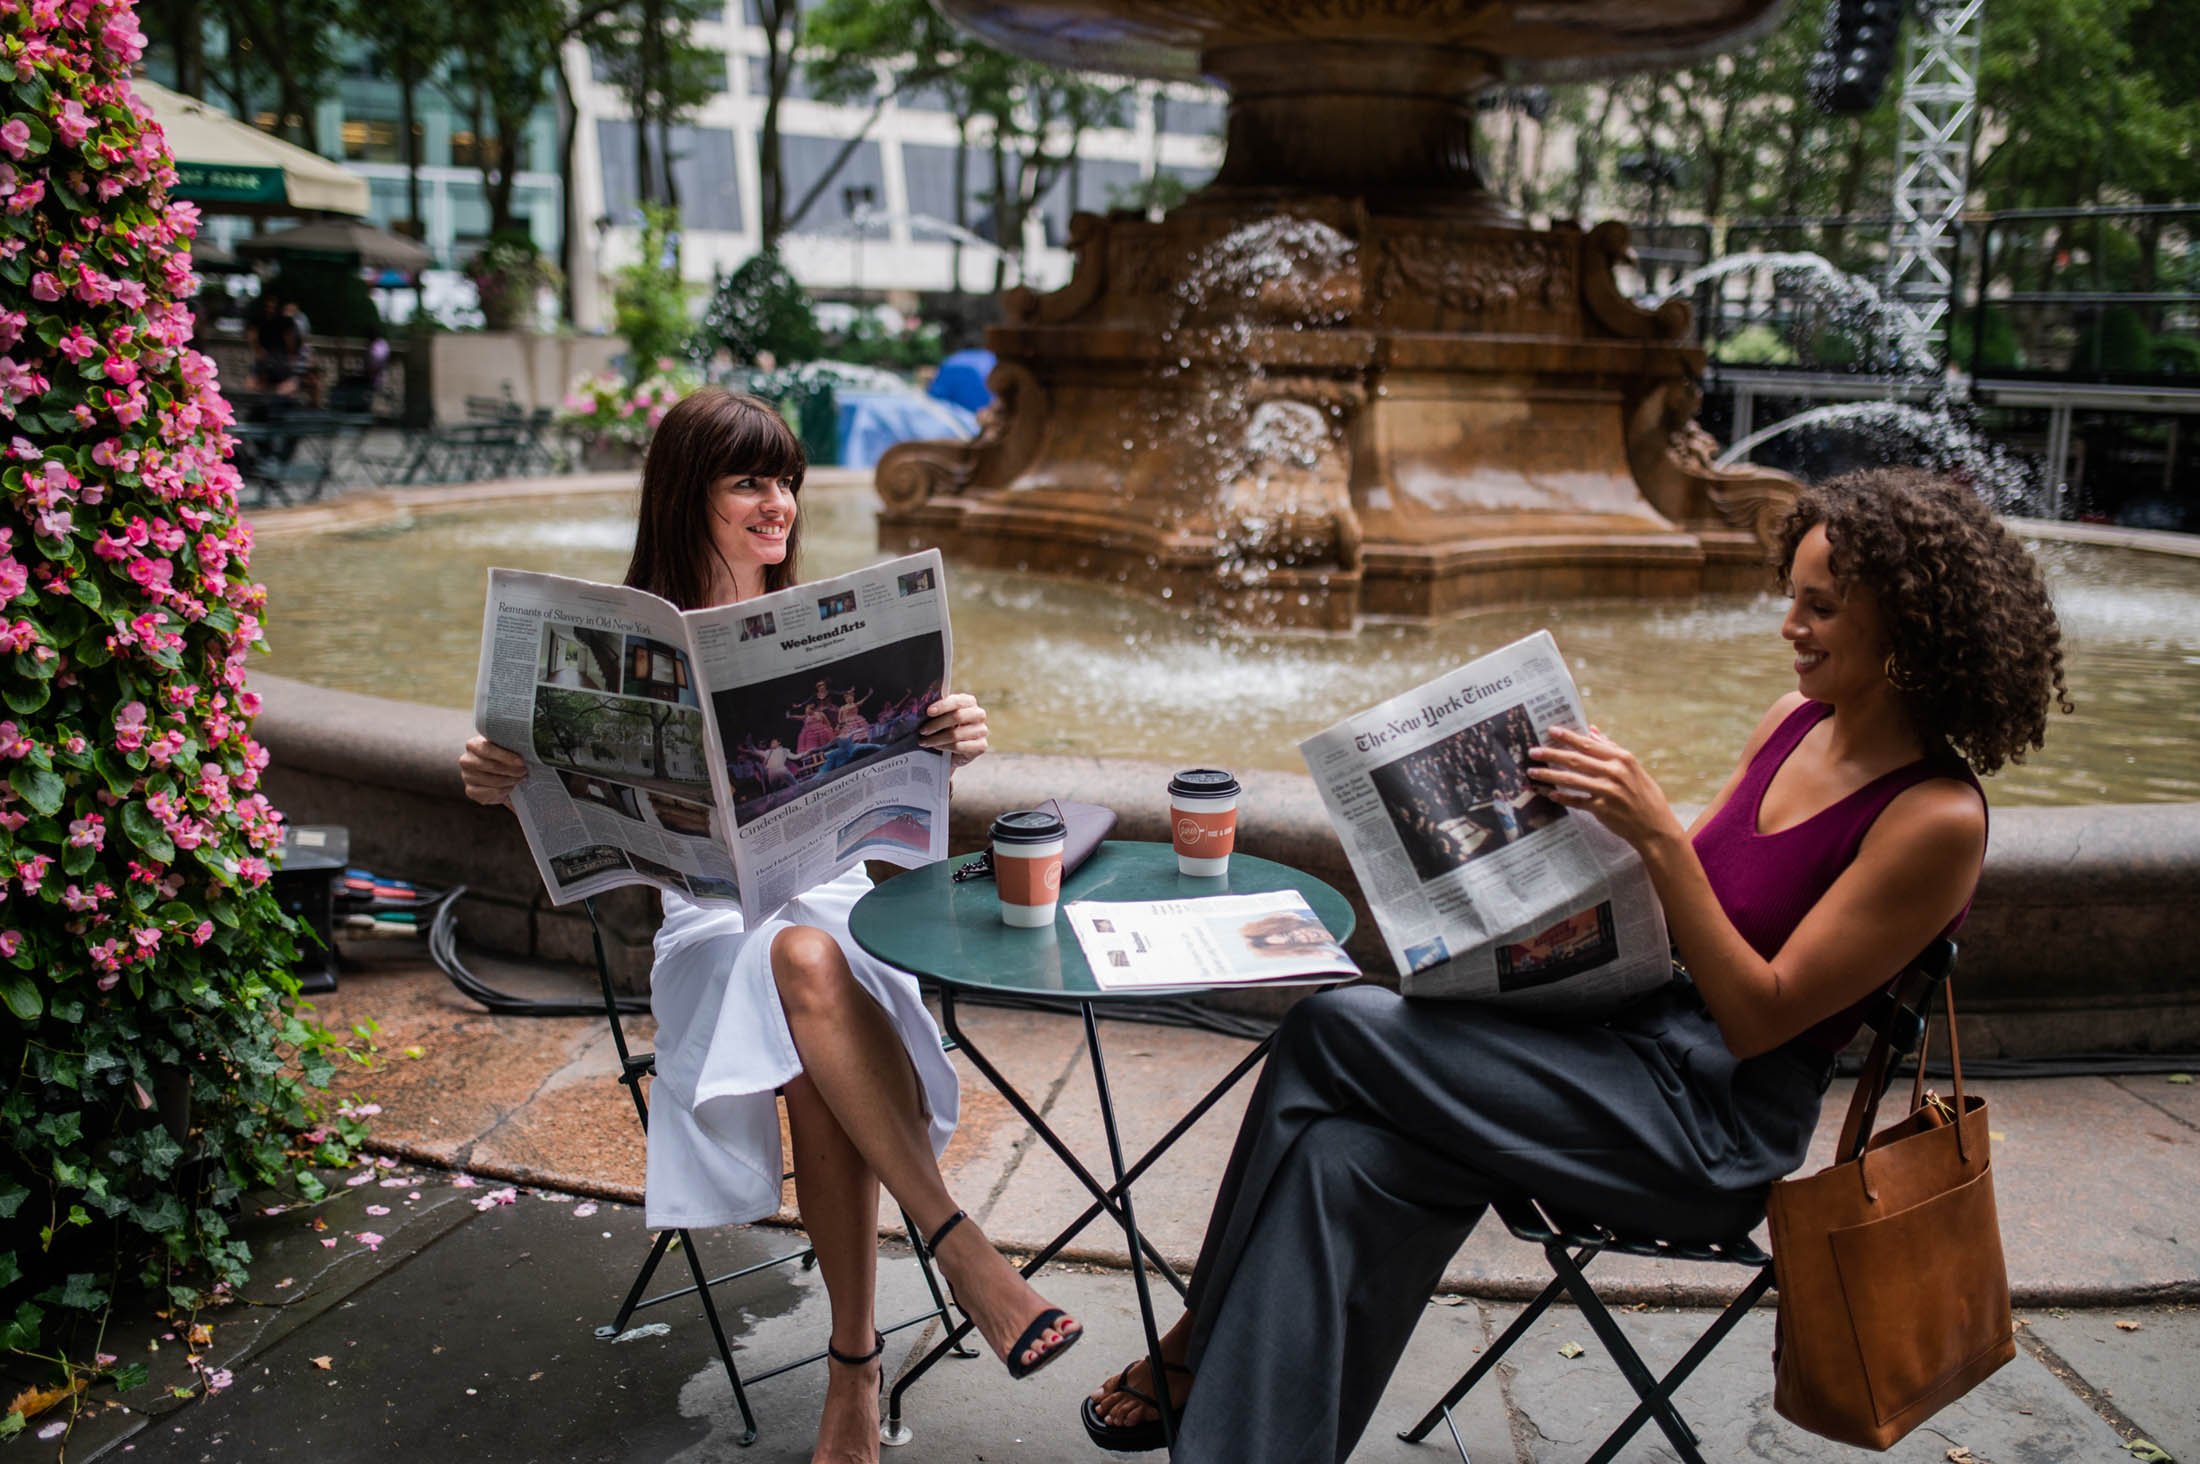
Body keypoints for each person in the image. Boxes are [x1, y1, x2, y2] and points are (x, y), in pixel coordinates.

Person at [1079, 467, 2070, 1461]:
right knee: (1346, 1158)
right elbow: (1686, 918)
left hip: (1703, 1132)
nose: (1790, 626)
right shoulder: (1791, 723)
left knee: (1335, 1026)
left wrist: (1656, 839)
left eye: (1820, 607)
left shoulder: (1933, 819)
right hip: (1617, 1045)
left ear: (1906, 623)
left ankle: (1194, 1342)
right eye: (1791, 597)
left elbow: (1759, 1016)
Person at [459, 390, 1080, 1464]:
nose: (777, 502)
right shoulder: (615, 630)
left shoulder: (818, 629)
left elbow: (896, 777)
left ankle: (857, 1361)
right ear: (686, 493)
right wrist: (488, 770)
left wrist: (954, 734)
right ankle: (957, 1259)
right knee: (794, 965)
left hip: (835, 906)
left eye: (786, 478)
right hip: (704, 928)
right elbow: (539, 780)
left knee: (807, 962)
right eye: (748, 479)